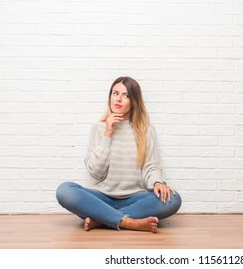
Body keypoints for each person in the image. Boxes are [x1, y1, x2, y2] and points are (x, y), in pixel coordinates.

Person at [56, 76, 182, 233]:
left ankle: (103, 220)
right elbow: (96, 172)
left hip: (136, 198)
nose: (119, 99)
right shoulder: (98, 128)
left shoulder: (146, 130)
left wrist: (157, 182)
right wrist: (108, 134)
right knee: (65, 190)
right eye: (115, 93)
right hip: (102, 198)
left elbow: (151, 166)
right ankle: (129, 222)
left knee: (174, 199)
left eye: (126, 95)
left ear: (134, 101)